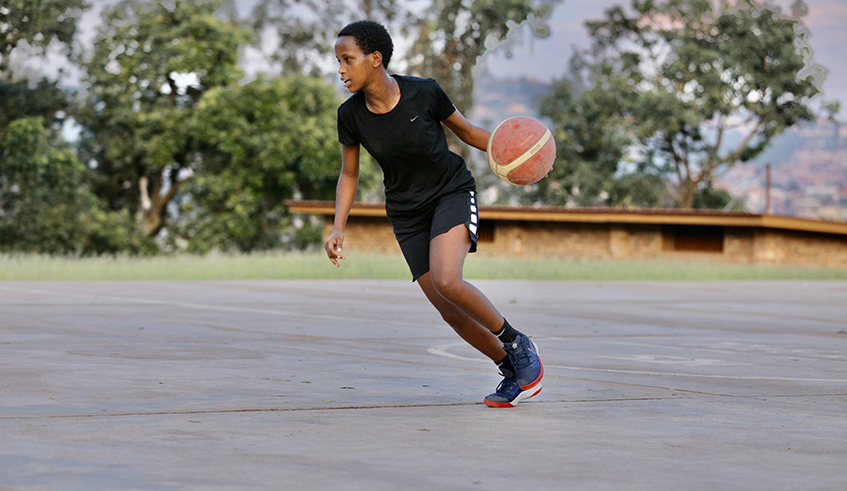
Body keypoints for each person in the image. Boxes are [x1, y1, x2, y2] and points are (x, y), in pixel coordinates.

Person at [324, 20, 543, 408]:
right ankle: (510, 368)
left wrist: (517, 152)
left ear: (375, 59)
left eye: (347, 59)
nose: (340, 69)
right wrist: (338, 227)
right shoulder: (350, 115)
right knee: (450, 312)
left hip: (450, 192)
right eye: (338, 61)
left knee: (447, 280)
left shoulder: (423, 92)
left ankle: (517, 342)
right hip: (407, 213)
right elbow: (350, 173)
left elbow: (467, 132)